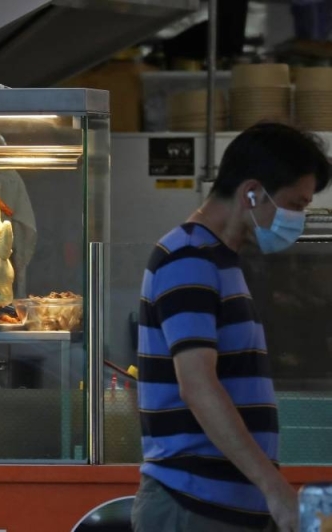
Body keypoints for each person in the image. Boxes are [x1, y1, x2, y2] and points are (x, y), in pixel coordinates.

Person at [131, 122, 330, 532]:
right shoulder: (188, 257)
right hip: (194, 507)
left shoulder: (220, 261)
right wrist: (274, 487)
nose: (299, 218)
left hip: (221, 508)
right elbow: (198, 386)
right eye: (295, 203)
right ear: (252, 192)